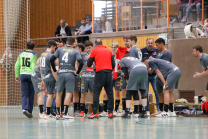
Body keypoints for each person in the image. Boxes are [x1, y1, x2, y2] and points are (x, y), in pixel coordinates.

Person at [50, 37, 84, 120]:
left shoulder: (60, 50)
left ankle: (57, 114)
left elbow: (51, 59)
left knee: (59, 94)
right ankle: (65, 113)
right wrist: (77, 72)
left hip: (61, 73)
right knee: (68, 93)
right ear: (74, 43)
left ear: (67, 42)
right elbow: (81, 62)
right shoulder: (76, 51)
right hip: (70, 73)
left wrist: (55, 70)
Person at [87, 39, 115, 119]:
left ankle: (95, 113)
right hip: (109, 73)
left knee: (96, 93)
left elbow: (89, 64)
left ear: (95, 44)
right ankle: (110, 113)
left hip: (99, 74)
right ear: (102, 44)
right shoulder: (109, 51)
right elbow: (113, 64)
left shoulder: (94, 51)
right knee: (110, 93)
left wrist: (89, 58)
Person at [15, 41, 38, 118]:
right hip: (31, 75)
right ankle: (30, 111)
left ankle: (24, 108)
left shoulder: (21, 54)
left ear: (26, 46)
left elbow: (16, 65)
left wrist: (17, 75)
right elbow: (34, 66)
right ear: (34, 47)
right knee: (31, 94)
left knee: (24, 94)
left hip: (23, 74)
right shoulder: (34, 55)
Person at [141, 38, 159, 116]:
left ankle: (159, 109)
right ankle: (147, 110)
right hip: (145, 75)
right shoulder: (142, 51)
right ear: (146, 43)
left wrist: (153, 69)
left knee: (157, 92)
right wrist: (147, 69)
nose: (150, 44)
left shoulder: (157, 51)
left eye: (152, 43)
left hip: (155, 75)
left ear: (153, 44)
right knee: (145, 93)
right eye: (149, 43)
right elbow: (140, 62)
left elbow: (159, 62)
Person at [40, 40, 58, 118]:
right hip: (50, 77)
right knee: (50, 95)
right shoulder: (50, 56)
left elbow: (40, 67)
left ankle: (47, 112)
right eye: (55, 48)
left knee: (50, 95)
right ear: (52, 46)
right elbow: (52, 69)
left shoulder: (42, 54)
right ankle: (47, 113)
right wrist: (57, 79)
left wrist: (42, 79)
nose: (55, 50)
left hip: (45, 76)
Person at [78, 42, 95, 117]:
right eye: (87, 47)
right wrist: (79, 72)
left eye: (90, 47)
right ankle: (82, 111)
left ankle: (93, 111)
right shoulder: (83, 55)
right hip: (84, 77)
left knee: (93, 94)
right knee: (82, 94)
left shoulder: (95, 54)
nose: (88, 49)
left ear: (92, 47)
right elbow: (77, 63)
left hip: (93, 77)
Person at [115, 36, 131, 116]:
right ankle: (124, 110)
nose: (126, 42)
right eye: (125, 41)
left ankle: (136, 110)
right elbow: (117, 62)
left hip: (131, 73)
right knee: (123, 91)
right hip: (123, 74)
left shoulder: (132, 50)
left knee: (133, 91)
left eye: (127, 41)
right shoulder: (120, 51)